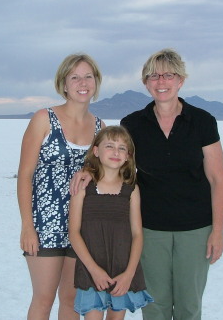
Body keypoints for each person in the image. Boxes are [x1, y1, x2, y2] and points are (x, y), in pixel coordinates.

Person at [71, 48, 223, 320]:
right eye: (153, 76)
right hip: (150, 228)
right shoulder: (133, 124)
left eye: (168, 75)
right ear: (146, 83)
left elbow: (217, 178)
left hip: (195, 229)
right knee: (155, 306)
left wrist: (218, 231)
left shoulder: (202, 121)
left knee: (190, 305)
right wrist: (87, 169)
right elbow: (112, 154)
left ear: (181, 80)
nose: (161, 81)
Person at [17, 53, 105, 320]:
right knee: (43, 299)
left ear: (96, 83)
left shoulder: (100, 127)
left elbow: (106, 172)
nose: (82, 82)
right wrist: (27, 226)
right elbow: (25, 175)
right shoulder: (44, 119)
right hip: (45, 224)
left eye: (88, 76)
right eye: (75, 76)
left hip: (81, 225)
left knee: (71, 299)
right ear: (64, 84)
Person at [69, 126, 153, 320]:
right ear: (96, 151)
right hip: (91, 270)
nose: (116, 152)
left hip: (122, 269)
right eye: (110, 146)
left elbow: (137, 234)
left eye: (122, 148)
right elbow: (74, 232)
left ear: (128, 156)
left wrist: (129, 274)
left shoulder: (131, 190)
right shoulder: (83, 187)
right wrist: (93, 270)